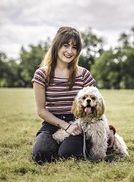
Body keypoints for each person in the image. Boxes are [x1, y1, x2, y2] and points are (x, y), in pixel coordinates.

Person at [32, 26, 115, 164]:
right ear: (56, 45)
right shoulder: (41, 74)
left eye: (74, 47)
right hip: (51, 123)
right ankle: (52, 145)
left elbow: (96, 104)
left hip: (79, 123)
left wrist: (109, 130)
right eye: (66, 45)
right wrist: (65, 126)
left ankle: (80, 145)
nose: (70, 51)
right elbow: (41, 110)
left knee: (68, 154)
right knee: (41, 154)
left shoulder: (83, 74)